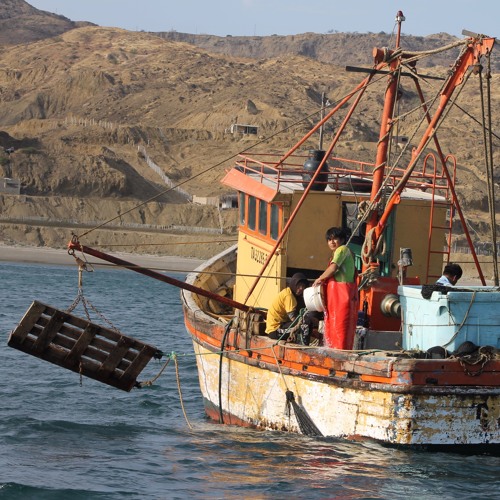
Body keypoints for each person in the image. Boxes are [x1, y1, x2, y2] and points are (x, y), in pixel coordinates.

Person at [312, 227, 358, 349]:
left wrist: (319, 279)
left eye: (335, 239)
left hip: (341, 297)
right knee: (335, 327)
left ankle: (338, 353)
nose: (332, 242)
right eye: (329, 239)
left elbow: (333, 268)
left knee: (340, 327)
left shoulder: (342, 250)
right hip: (338, 298)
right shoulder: (344, 252)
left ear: (342, 240)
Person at [265, 272, 309, 341]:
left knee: (305, 323)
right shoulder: (289, 296)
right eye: (299, 285)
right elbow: (293, 318)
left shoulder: (289, 292)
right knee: (305, 326)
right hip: (275, 330)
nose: (301, 288)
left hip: (281, 325)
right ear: (294, 284)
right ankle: (305, 347)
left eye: (303, 287)